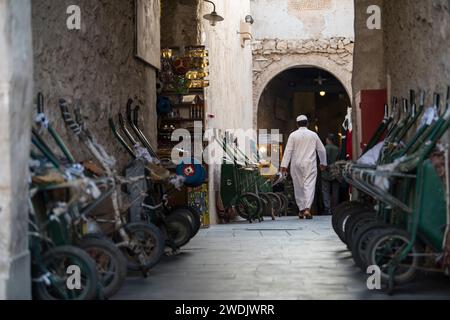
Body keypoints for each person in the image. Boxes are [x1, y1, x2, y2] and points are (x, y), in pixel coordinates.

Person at [280, 115, 327, 220]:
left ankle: (301, 209)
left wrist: (284, 165)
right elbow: (322, 150)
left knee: (298, 186)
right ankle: (307, 209)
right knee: (309, 185)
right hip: (309, 164)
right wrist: (323, 163)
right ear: (307, 123)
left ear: (297, 124)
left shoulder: (293, 135)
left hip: (296, 164)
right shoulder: (313, 135)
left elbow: (288, 150)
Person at [321, 134, 340, 215]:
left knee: (326, 191)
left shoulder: (324, 148)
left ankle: (327, 209)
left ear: (328, 139)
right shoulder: (337, 149)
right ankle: (335, 209)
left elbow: (322, 160)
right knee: (335, 191)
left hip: (326, 172)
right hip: (335, 171)